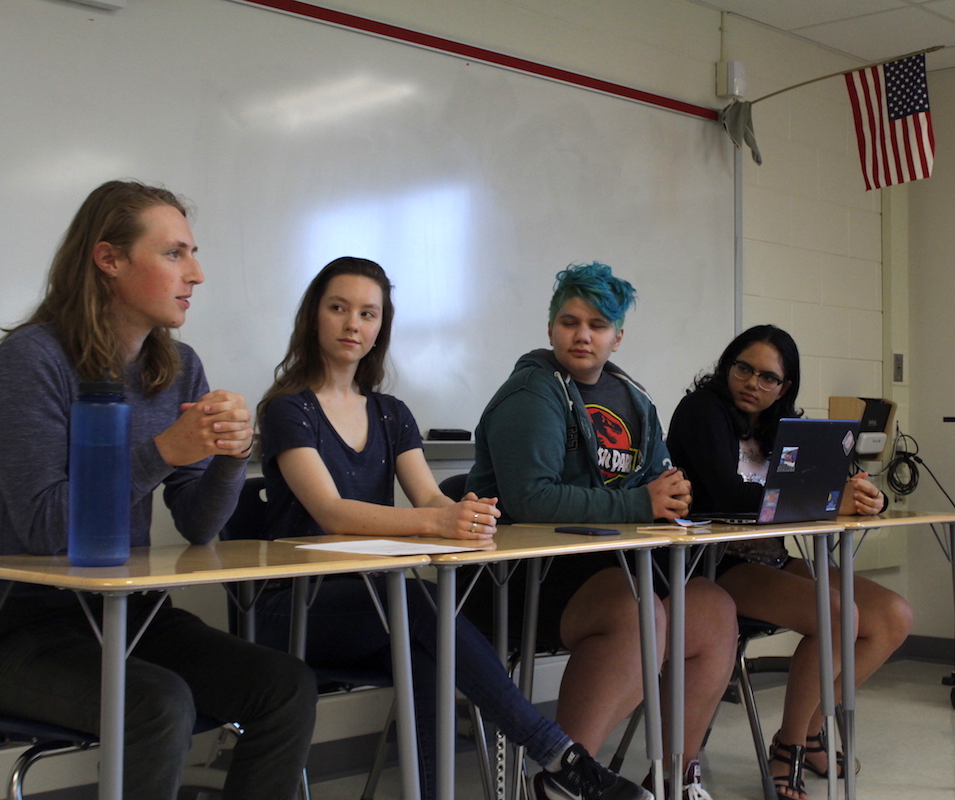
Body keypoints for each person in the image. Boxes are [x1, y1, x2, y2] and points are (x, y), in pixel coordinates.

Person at [255, 256, 650, 800]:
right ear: (313, 317)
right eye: (338, 308)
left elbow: (431, 498)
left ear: (380, 327)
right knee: (421, 609)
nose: (353, 324)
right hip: (292, 604)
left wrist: (468, 516)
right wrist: (439, 519)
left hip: (373, 602)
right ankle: (559, 754)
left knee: (428, 649)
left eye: (368, 314)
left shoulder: (391, 413)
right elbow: (332, 513)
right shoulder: (286, 410)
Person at [0, 180, 316, 800]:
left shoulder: (178, 366)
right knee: (159, 705)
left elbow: (198, 524)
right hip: (26, 635)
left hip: (133, 618)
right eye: (175, 254)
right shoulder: (31, 361)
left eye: (193, 253)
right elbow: (46, 529)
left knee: (285, 685)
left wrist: (232, 454)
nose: (198, 273)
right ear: (109, 260)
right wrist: (167, 449)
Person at [466, 261, 737, 800]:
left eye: (597, 324)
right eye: (569, 321)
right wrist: (641, 501)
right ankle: (564, 777)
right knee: (638, 612)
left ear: (618, 336)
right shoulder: (532, 392)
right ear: (549, 328)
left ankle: (672, 778)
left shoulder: (633, 398)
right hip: (518, 579)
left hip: (606, 568)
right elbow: (530, 499)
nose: (582, 335)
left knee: (712, 611)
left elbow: (659, 480)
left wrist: (672, 496)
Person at [666, 324, 913, 800]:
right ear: (726, 366)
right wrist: (825, 498)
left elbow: (833, 484)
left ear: (785, 387)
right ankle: (790, 749)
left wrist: (866, 496)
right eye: (743, 369)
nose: (751, 384)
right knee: (839, 614)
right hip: (714, 566)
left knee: (892, 617)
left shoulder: (781, 426)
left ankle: (811, 729)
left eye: (767, 378)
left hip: (771, 560)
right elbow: (726, 493)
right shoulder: (702, 411)